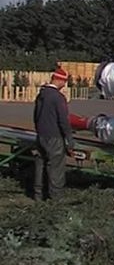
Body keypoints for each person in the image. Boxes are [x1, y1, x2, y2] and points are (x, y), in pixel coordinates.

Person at [33, 67, 74, 201]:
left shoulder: (41, 95)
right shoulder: (58, 98)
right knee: (56, 167)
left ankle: (38, 195)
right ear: (59, 80)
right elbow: (63, 120)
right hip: (55, 136)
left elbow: (36, 116)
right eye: (64, 82)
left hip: (41, 135)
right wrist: (69, 138)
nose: (64, 85)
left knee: (41, 164)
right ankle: (56, 197)